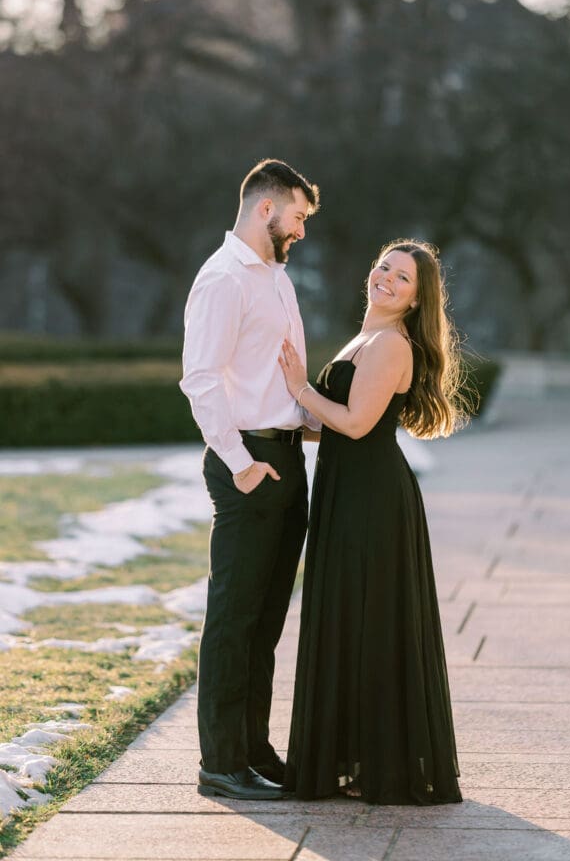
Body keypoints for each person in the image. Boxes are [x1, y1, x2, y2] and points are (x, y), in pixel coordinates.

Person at [278, 239, 468, 805]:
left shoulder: (389, 344)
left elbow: (358, 424)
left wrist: (300, 388)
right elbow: (339, 422)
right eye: (384, 267)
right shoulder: (366, 337)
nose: (386, 279)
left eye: (402, 278)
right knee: (354, 620)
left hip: (372, 502)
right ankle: (361, 757)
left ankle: (383, 764)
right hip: (350, 494)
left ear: (415, 300)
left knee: (372, 622)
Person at [180, 158, 320, 801]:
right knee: (233, 620)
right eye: (296, 217)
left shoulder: (277, 279)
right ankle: (220, 764)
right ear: (266, 209)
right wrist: (241, 466)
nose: (300, 230)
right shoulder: (222, 280)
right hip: (249, 466)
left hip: (286, 458)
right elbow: (201, 379)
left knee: (265, 622)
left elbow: (278, 376)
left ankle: (253, 749)